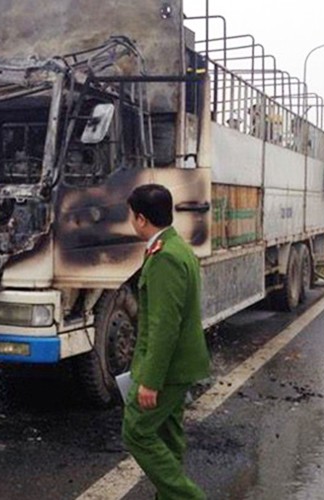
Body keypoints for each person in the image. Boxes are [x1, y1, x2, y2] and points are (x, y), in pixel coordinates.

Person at [122, 184, 210, 500]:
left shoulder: (165, 258)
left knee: (136, 432)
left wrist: (151, 380)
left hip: (168, 369)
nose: (130, 220)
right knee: (169, 435)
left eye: (131, 215)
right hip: (179, 365)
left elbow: (164, 326)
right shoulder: (177, 247)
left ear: (142, 218)